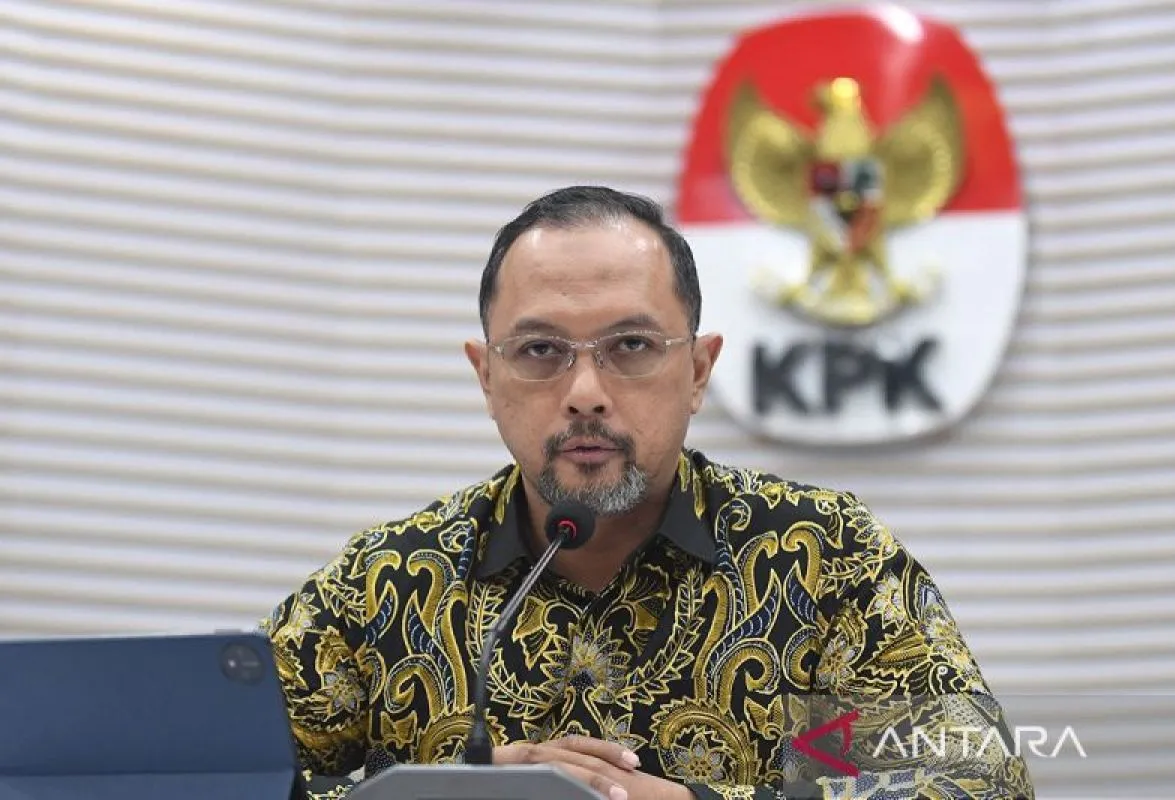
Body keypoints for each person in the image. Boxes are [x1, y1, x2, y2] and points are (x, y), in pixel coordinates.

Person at [265, 186, 1033, 800]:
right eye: (540, 350)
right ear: (486, 376)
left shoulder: (822, 556)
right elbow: (218, 777)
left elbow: (980, 782)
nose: (585, 393)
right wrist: (428, 796)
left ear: (698, 371)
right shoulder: (388, 582)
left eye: (630, 346)